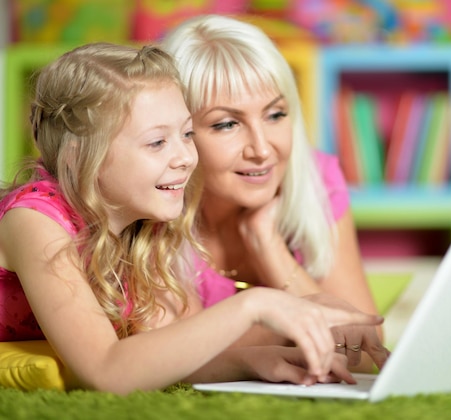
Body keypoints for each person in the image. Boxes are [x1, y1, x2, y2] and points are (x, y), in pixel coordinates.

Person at [0, 42, 384, 394]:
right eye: (157, 142)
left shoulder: (141, 225)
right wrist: (256, 304)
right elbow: (106, 371)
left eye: (186, 134)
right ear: (79, 155)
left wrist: (252, 360)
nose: (186, 157)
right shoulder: (35, 221)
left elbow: (160, 347)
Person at [161, 14, 390, 372]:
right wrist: (302, 326)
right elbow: (168, 360)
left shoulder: (317, 180)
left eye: (275, 115)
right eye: (227, 124)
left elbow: (363, 354)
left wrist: (268, 245)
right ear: (180, 133)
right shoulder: (152, 208)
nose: (262, 149)